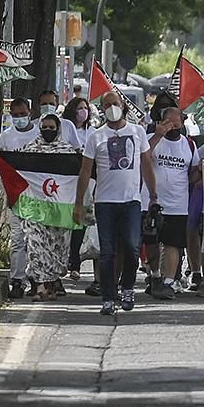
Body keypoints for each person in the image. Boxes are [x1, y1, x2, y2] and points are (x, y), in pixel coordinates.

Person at [73, 91, 157, 316]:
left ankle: (128, 288)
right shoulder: (96, 136)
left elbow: (146, 164)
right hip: (105, 202)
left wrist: (154, 194)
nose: (112, 107)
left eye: (115, 103)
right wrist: (79, 203)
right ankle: (108, 297)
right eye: (107, 104)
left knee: (131, 247)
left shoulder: (137, 132)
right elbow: (85, 170)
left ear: (123, 106)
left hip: (131, 201)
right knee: (107, 252)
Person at [16, 114, 80, 302]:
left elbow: (75, 178)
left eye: (52, 128)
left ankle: (51, 284)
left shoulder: (67, 151)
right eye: (45, 127)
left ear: (58, 129)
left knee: (56, 248)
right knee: (35, 246)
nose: (48, 131)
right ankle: (39, 287)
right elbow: (19, 172)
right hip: (35, 209)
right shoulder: (30, 150)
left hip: (58, 211)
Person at [142, 107, 199, 301]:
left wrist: (202, 171)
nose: (173, 125)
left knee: (173, 244)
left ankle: (167, 282)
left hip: (178, 204)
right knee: (151, 241)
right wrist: (158, 136)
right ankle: (154, 275)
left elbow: (193, 172)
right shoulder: (150, 138)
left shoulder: (189, 145)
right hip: (152, 201)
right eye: (169, 122)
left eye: (177, 122)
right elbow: (143, 158)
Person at [0, 98, 40, 298]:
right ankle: (17, 280)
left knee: (36, 240)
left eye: (22, 114)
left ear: (29, 112)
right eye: (15, 115)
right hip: (16, 197)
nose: (19, 118)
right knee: (17, 240)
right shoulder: (6, 137)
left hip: (38, 196)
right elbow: (0, 164)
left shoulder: (39, 134)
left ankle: (37, 279)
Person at [62, 97, 97, 285]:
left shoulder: (92, 133)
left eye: (85, 108)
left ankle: (75, 261)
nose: (83, 111)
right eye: (79, 108)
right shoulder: (65, 129)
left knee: (80, 223)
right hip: (66, 182)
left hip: (86, 183)